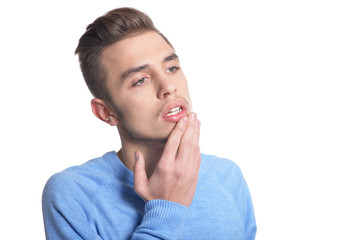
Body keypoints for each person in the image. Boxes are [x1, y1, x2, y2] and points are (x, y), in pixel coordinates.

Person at [42, 7, 257, 240]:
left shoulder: (228, 177)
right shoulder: (73, 194)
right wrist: (167, 208)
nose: (168, 87)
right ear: (106, 112)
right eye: (141, 80)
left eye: (171, 68)